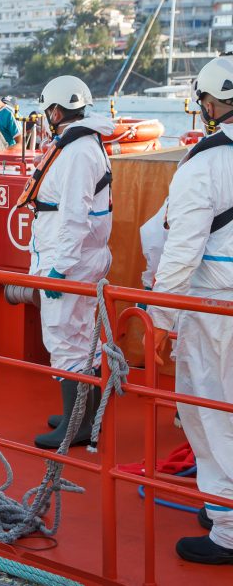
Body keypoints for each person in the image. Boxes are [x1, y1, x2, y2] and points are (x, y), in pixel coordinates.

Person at [149, 56, 233, 565]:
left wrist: (159, 319)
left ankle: (228, 529)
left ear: (209, 102)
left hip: (214, 306)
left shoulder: (204, 163)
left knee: (211, 408)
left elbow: (181, 250)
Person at [24, 75, 115, 450]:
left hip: (71, 260)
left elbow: (75, 214)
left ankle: (76, 426)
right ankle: (83, 414)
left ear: (57, 111)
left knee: (63, 337)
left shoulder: (77, 152)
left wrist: (59, 269)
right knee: (81, 337)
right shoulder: (83, 145)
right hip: (80, 256)